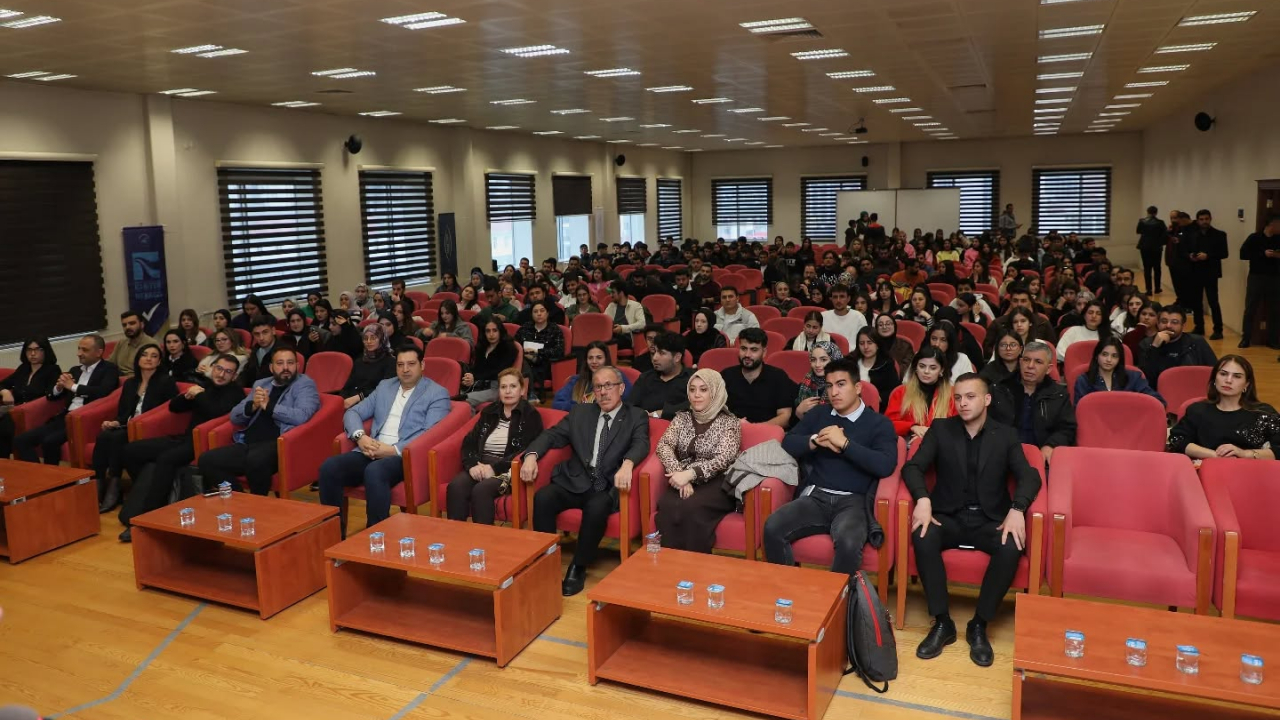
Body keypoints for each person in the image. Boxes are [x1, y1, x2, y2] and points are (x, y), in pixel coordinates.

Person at [905, 373, 1041, 667]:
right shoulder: (941, 429)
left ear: (987, 399)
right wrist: (923, 499)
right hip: (947, 515)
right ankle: (942, 622)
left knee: (1011, 546)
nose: (963, 403)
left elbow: (1029, 476)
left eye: (970, 397)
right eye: (958, 398)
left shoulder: (1005, 434)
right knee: (922, 535)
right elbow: (913, 467)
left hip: (989, 518)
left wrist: (1017, 509)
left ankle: (979, 624)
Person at [763, 358, 898, 575]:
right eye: (829, 385)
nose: (834, 392)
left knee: (848, 543)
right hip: (816, 497)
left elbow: (885, 465)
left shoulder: (878, 423)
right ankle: (787, 595)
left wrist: (845, 444)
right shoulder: (820, 414)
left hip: (854, 501)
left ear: (857, 387)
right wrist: (815, 440)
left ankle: (832, 605)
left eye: (841, 384)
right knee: (773, 527)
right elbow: (789, 442)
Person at [525, 366, 650, 596]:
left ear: (621, 388)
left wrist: (628, 463)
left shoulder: (635, 416)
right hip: (575, 479)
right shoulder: (580, 413)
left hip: (604, 485)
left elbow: (641, 443)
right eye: (598, 387)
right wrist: (531, 456)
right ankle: (546, 560)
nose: (603, 392)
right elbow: (551, 435)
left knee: (598, 506)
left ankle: (578, 566)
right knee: (543, 497)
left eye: (609, 386)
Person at [319, 344, 451, 536]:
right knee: (329, 468)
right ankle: (332, 536)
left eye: (411, 364)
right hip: (370, 448)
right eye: (400, 365)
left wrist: (392, 450)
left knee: (375, 471)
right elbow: (354, 411)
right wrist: (360, 437)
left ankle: (375, 536)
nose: (405, 370)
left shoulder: (437, 393)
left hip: (403, 456)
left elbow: (430, 433)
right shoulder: (385, 386)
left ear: (422, 365)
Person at [116, 353, 245, 542]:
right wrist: (187, 395)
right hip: (184, 438)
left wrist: (199, 395)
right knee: (131, 450)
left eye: (228, 372)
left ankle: (148, 517)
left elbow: (215, 411)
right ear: (212, 367)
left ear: (234, 376)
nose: (221, 374)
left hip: (204, 443)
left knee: (166, 460)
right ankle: (150, 490)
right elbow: (174, 408)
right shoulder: (205, 386)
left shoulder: (234, 393)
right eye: (218, 368)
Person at [198, 347, 320, 495]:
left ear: (298, 366)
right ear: (271, 367)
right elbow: (235, 415)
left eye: (290, 363)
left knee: (256, 461)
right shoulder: (261, 384)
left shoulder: (304, 384)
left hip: (280, 444)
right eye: (280, 363)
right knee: (207, 460)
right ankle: (240, 499)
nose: (286, 368)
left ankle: (257, 505)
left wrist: (269, 406)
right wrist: (253, 405)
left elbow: (302, 416)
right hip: (247, 443)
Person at [653, 369, 741, 553]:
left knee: (692, 507)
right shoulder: (682, 417)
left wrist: (691, 474)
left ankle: (696, 567)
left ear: (715, 392)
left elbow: (725, 458)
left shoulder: (729, 422)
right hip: (682, 475)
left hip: (718, 481)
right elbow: (664, 446)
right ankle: (670, 565)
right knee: (667, 505)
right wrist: (679, 474)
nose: (696, 395)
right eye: (692, 390)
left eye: (703, 389)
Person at [446, 368, 544, 524]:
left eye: (513, 386)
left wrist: (494, 469)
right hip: (481, 463)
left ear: (522, 389)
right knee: (456, 486)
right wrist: (472, 465)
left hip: (508, 470)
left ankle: (484, 543)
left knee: (481, 491)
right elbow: (469, 441)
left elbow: (526, 449)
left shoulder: (530, 415)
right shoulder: (489, 411)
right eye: (503, 387)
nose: (508, 391)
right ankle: (458, 539)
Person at [92, 343, 178, 512]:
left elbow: (168, 411)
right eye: (145, 354)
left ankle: (115, 488)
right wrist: (115, 422)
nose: (148, 358)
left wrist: (138, 423)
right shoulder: (131, 383)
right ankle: (99, 483)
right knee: (104, 436)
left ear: (159, 361)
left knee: (117, 438)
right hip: (127, 425)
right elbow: (124, 412)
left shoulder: (165, 382)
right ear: (138, 359)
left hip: (149, 429)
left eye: (154, 356)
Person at [14, 335, 119, 466]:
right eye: (79, 349)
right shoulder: (75, 370)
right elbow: (52, 397)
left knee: (49, 441)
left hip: (83, 420)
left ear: (99, 352)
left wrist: (73, 387)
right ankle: (40, 477)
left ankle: (54, 480)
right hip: (64, 417)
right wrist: (58, 387)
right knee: (21, 440)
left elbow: (103, 393)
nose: (79, 353)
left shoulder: (109, 369)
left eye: (84, 350)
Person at [1168, 355, 1280, 460]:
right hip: (1205, 472)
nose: (1228, 380)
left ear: (1247, 384)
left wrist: (1244, 454)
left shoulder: (1263, 413)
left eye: (1237, 376)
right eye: (1223, 374)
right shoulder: (1197, 410)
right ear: (1214, 379)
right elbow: (1178, 439)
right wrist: (1215, 456)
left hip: (1250, 473)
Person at [989, 340, 1075, 463]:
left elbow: (1067, 429)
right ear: (1020, 362)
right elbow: (987, 424)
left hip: (1040, 456)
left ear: (1049, 369)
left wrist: (1050, 445)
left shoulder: (1059, 395)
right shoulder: (999, 389)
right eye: (1026, 360)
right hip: (1002, 455)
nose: (1030, 366)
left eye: (1038, 362)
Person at [721, 328, 796, 427]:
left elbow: (785, 417)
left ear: (764, 352)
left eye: (754, 350)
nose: (747, 354)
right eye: (743, 348)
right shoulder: (726, 375)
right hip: (732, 433)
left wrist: (756, 429)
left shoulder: (778, 377)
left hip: (767, 434)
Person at [0, 338, 60, 460]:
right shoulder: (23, 369)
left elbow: (51, 396)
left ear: (45, 351)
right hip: (14, 412)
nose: (33, 354)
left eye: (38, 350)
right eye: (29, 350)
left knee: (5, 425)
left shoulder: (52, 370)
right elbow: (3, 383)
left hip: (35, 414)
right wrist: (4, 391)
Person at [1138, 306, 1217, 391]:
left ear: (1183, 325)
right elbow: (1145, 380)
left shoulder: (1197, 342)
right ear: (1157, 323)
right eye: (1164, 321)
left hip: (1192, 389)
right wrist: (1154, 348)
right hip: (1159, 392)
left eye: (1174, 322)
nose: (1168, 325)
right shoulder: (1146, 344)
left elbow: (1214, 371)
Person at [885, 347, 955, 441]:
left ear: (941, 370)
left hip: (941, 444)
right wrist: (912, 427)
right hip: (907, 443)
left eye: (933, 368)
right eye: (922, 366)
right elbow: (888, 424)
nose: (926, 371)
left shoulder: (953, 394)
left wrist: (930, 435)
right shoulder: (900, 392)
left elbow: (957, 427)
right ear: (915, 368)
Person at [1178, 209, 1229, 338]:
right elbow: (1182, 251)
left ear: (1210, 219)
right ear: (1197, 220)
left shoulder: (1219, 234)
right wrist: (1189, 256)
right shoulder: (1191, 234)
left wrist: (1208, 256)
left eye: (1206, 219)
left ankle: (1218, 329)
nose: (1204, 221)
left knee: (1213, 301)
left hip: (1211, 272)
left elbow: (1224, 253)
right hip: (1194, 271)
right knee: (1196, 301)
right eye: (1201, 219)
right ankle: (1199, 326)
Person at [1074, 336, 1164, 404]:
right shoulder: (1083, 380)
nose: (1109, 360)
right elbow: (1079, 411)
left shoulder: (1134, 378)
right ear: (1097, 356)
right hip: (1096, 425)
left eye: (1114, 356)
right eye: (1104, 354)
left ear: (1119, 359)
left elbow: (1157, 401)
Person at [1237, 213, 1280, 350]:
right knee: (1251, 308)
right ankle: (1246, 338)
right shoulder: (1254, 238)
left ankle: (1272, 340)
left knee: (1275, 309)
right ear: (1272, 224)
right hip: (1256, 277)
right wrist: (1263, 254)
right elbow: (1243, 254)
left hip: (1275, 278)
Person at [628, 333, 693, 420]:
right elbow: (630, 405)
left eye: (661, 353)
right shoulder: (645, 378)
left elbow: (696, 406)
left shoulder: (693, 379)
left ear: (677, 357)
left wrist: (664, 413)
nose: (655, 358)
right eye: (654, 352)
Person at [552, 341, 632, 410]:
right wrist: (581, 408)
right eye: (590, 358)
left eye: (599, 358)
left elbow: (627, 402)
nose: (594, 361)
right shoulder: (576, 380)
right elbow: (557, 403)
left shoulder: (618, 378)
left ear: (606, 359)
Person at [514, 300, 565, 397]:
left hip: (545, 365)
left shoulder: (555, 330)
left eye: (542, 311)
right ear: (531, 314)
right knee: (523, 364)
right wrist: (525, 354)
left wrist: (537, 352)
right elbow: (515, 346)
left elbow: (558, 351)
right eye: (535, 311)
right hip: (525, 362)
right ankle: (529, 394)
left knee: (526, 366)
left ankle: (527, 394)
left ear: (547, 313)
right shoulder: (525, 328)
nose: (539, 314)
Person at [855, 327, 901, 413]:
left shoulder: (887, 364)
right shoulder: (851, 361)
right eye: (861, 343)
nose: (865, 347)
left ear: (877, 345)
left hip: (878, 409)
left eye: (869, 343)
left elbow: (894, 391)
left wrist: (877, 398)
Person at [795, 340, 843, 421]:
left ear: (834, 360)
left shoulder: (843, 385)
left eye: (823, 360)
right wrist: (799, 412)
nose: (817, 365)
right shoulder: (807, 381)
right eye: (813, 360)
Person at [106, 310, 156, 378]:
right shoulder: (121, 343)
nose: (127, 327)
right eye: (124, 325)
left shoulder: (151, 345)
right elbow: (109, 364)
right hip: (117, 379)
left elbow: (149, 374)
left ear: (142, 325)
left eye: (132, 323)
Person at [603, 281, 646, 349]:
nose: (611, 295)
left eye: (613, 292)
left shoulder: (636, 305)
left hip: (627, 338)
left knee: (608, 342)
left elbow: (642, 324)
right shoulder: (611, 306)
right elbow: (603, 321)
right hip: (613, 336)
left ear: (621, 293)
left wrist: (623, 328)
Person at [240, 315, 279, 387]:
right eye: (257, 334)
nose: (261, 338)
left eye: (265, 332)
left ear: (273, 331)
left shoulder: (283, 351)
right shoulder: (256, 349)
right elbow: (247, 373)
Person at [1136, 206, 1167, 296]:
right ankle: (1157, 288)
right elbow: (1164, 234)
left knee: (1147, 268)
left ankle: (1148, 290)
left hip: (1144, 247)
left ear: (1147, 212)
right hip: (1157, 247)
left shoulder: (1142, 221)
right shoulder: (1160, 222)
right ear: (1156, 212)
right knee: (1157, 268)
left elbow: (1138, 231)